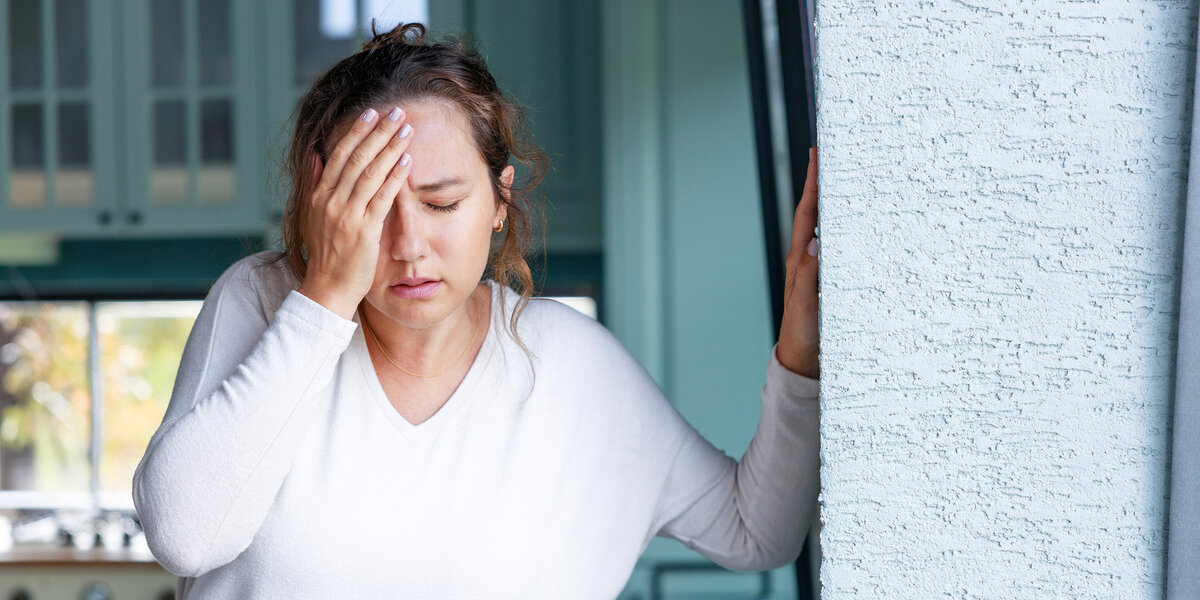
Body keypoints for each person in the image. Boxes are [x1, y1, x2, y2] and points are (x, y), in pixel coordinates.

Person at [132, 22, 821, 599]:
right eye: (372, 207)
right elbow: (184, 537)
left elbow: (756, 531)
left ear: (499, 200)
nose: (408, 245)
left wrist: (802, 357)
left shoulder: (571, 364)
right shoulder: (264, 300)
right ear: (324, 204)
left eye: (441, 204)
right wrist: (327, 297)